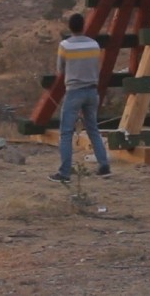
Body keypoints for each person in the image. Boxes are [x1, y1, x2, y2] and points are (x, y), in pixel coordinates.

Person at [48, 13, 111, 183]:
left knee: (66, 132)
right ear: (83, 26)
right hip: (92, 91)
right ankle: (104, 166)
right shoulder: (94, 44)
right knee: (93, 130)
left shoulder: (65, 45)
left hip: (74, 91)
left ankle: (64, 172)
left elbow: (60, 69)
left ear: (70, 27)